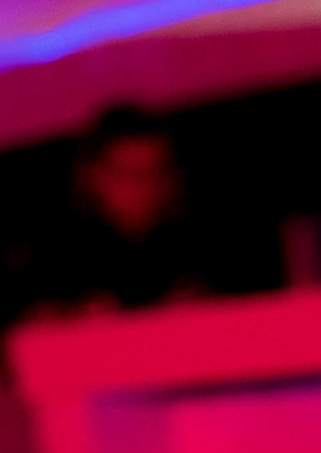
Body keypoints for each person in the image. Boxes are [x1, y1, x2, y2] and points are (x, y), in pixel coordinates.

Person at [16, 106, 208, 318]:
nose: (145, 188)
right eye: (128, 174)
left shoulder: (196, 246)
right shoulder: (55, 254)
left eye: (156, 172)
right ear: (92, 176)